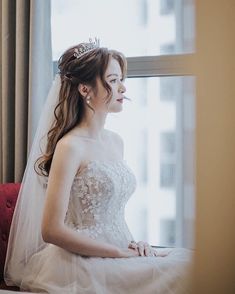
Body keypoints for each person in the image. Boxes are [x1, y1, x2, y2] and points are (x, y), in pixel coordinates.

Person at [4, 39, 192, 293]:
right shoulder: (70, 147)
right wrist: (116, 252)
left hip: (120, 250)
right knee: (185, 270)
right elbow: (51, 230)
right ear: (85, 89)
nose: (123, 88)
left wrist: (134, 246)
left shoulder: (116, 142)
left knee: (189, 260)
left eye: (121, 79)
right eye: (113, 80)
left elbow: (111, 213)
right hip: (79, 262)